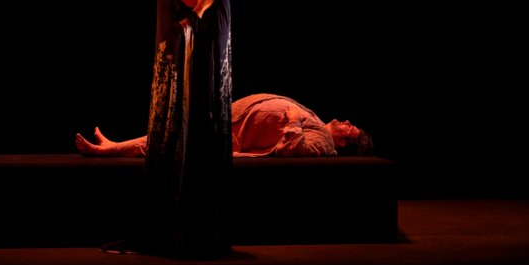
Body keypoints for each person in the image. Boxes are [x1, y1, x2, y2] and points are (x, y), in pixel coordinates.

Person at [132, 0, 233, 257]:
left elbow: (218, 44)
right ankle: (167, 235)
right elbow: (168, 39)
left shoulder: (221, 2)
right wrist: (196, 14)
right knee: (173, 151)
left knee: (203, 157)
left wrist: (192, 22)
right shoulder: (168, 0)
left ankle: (204, 236)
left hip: (205, 92)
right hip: (176, 92)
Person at [76, 93, 374, 159]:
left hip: (235, 136)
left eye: (351, 129)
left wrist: (294, 120)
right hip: (234, 122)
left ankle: (110, 150)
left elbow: (292, 150)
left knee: (176, 138)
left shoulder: (325, 144)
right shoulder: (320, 123)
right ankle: (113, 146)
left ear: (343, 143)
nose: (347, 122)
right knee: (174, 133)